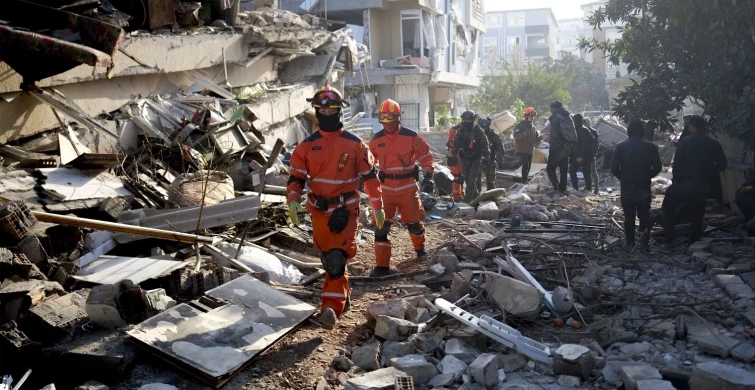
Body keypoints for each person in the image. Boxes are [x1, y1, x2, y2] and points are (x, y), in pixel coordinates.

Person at [287, 85, 386, 329]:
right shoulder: (306, 147)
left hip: (346, 209)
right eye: (323, 109)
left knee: (336, 259)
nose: (328, 114)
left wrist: (378, 206)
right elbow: (296, 178)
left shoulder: (355, 145)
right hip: (319, 210)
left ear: (340, 111)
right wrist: (292, 200)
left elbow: (370, 178)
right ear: (316, 111)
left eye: (333, 109)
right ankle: (344, 294)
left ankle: (330, 308)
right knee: (327, 258)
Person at [369, 99, 434, 277]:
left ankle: (420, 250)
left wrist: (429, 175)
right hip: (386, 190)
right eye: (384, 119)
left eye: (391, 119)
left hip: (407, 188)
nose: (388, 123)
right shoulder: (376, 140)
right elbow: (367, 161)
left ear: (399, 118)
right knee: (381, 227)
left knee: (414, 224)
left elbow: (426, 155)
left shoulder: (411, 136)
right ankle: (382, 266)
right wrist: (364, 177)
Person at [662, 115, 727, 247]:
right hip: (702, 185)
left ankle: (670, 238)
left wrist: (677, 181)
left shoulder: (685, 142)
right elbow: (722, 165)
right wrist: (709, 171)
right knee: (697, 212)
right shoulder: (714, 143)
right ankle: (694, 240)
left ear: (692, 127)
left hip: (684, 184)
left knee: (667, 207)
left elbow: (677, 165)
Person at [610, 119, 662, 253]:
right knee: (644, 216)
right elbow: (658, 167)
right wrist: (647, 176)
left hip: (627, 187)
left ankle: (629, 243)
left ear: (628, 131)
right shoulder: (650, 146)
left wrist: (623, 178)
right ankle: (644, 244)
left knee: (629, 216)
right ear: (642, 131)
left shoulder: (621, 147)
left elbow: (614, 167)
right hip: (643, 187)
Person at [451, 110, 490, 203]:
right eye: (466, 120)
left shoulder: (478, 131)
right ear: (463, 120)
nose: (468, 122)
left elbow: (485, 145)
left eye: (470, 120)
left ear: (473, 120)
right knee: (467, 180)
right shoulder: (460, 131)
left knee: (472, 180)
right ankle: (476, 196)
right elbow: (455, 145)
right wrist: (453, 157)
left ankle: (468, 200)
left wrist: (486, 158)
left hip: (476, 159)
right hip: (464, 159)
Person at [546, 101, 575, 194]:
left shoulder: (556, 117)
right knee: (563, 170)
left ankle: (557, 187)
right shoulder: (568, 116)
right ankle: (562, 189)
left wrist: (563, 142)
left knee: (550, 168)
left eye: (551, 108)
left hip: (557, 147)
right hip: (568, 147)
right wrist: (568, 143)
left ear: (555, 108)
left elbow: (557, 132)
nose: (550, 110)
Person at [513, 107, 540, 183]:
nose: (532, 118)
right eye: (531, 116)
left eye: (533, 116)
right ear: (526, 116)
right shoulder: (520, 125)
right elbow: (515, 135)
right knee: (525, 164)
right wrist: (523, 134)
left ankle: (525, 180)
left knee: (528, 166)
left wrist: (541, 138)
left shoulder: (533, 128)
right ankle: (523, 180)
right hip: (522, 149)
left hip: (529, 150)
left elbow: (536, 139)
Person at [479, 117, 504, 190]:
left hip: (491, 161)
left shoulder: (494, 136)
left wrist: (500, 161)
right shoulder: (477, 135)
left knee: (491, 182)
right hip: (478, 160)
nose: (484, 129)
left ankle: (490, 197)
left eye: (485, 127)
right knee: (476, 182)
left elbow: (501, 149)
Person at [568, 113, 591, 192]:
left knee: (587, 173)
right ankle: (575, 189)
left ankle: (588, 189)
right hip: (575, 156)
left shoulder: (584, 130)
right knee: (572, 171)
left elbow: (585, 144)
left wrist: (581, 156)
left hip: (583, 157)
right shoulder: (576, 130)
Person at [446, 122, 465, 201]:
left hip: (462, 155)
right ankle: (457, 195)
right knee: (456, 176)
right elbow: (451, 144)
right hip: (455, 156)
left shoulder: (468, 129)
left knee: (461, 176)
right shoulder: (454, 130)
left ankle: (462, 194)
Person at [582, 117, 601, 194]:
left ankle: (596, 188)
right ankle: (588, 187)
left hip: (590, 155)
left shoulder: (593, 132)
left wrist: (594, 153)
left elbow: (596, 145)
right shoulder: (583, 131)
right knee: (587, 172)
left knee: (593, 172)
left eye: (584, 123)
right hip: (585, 155)